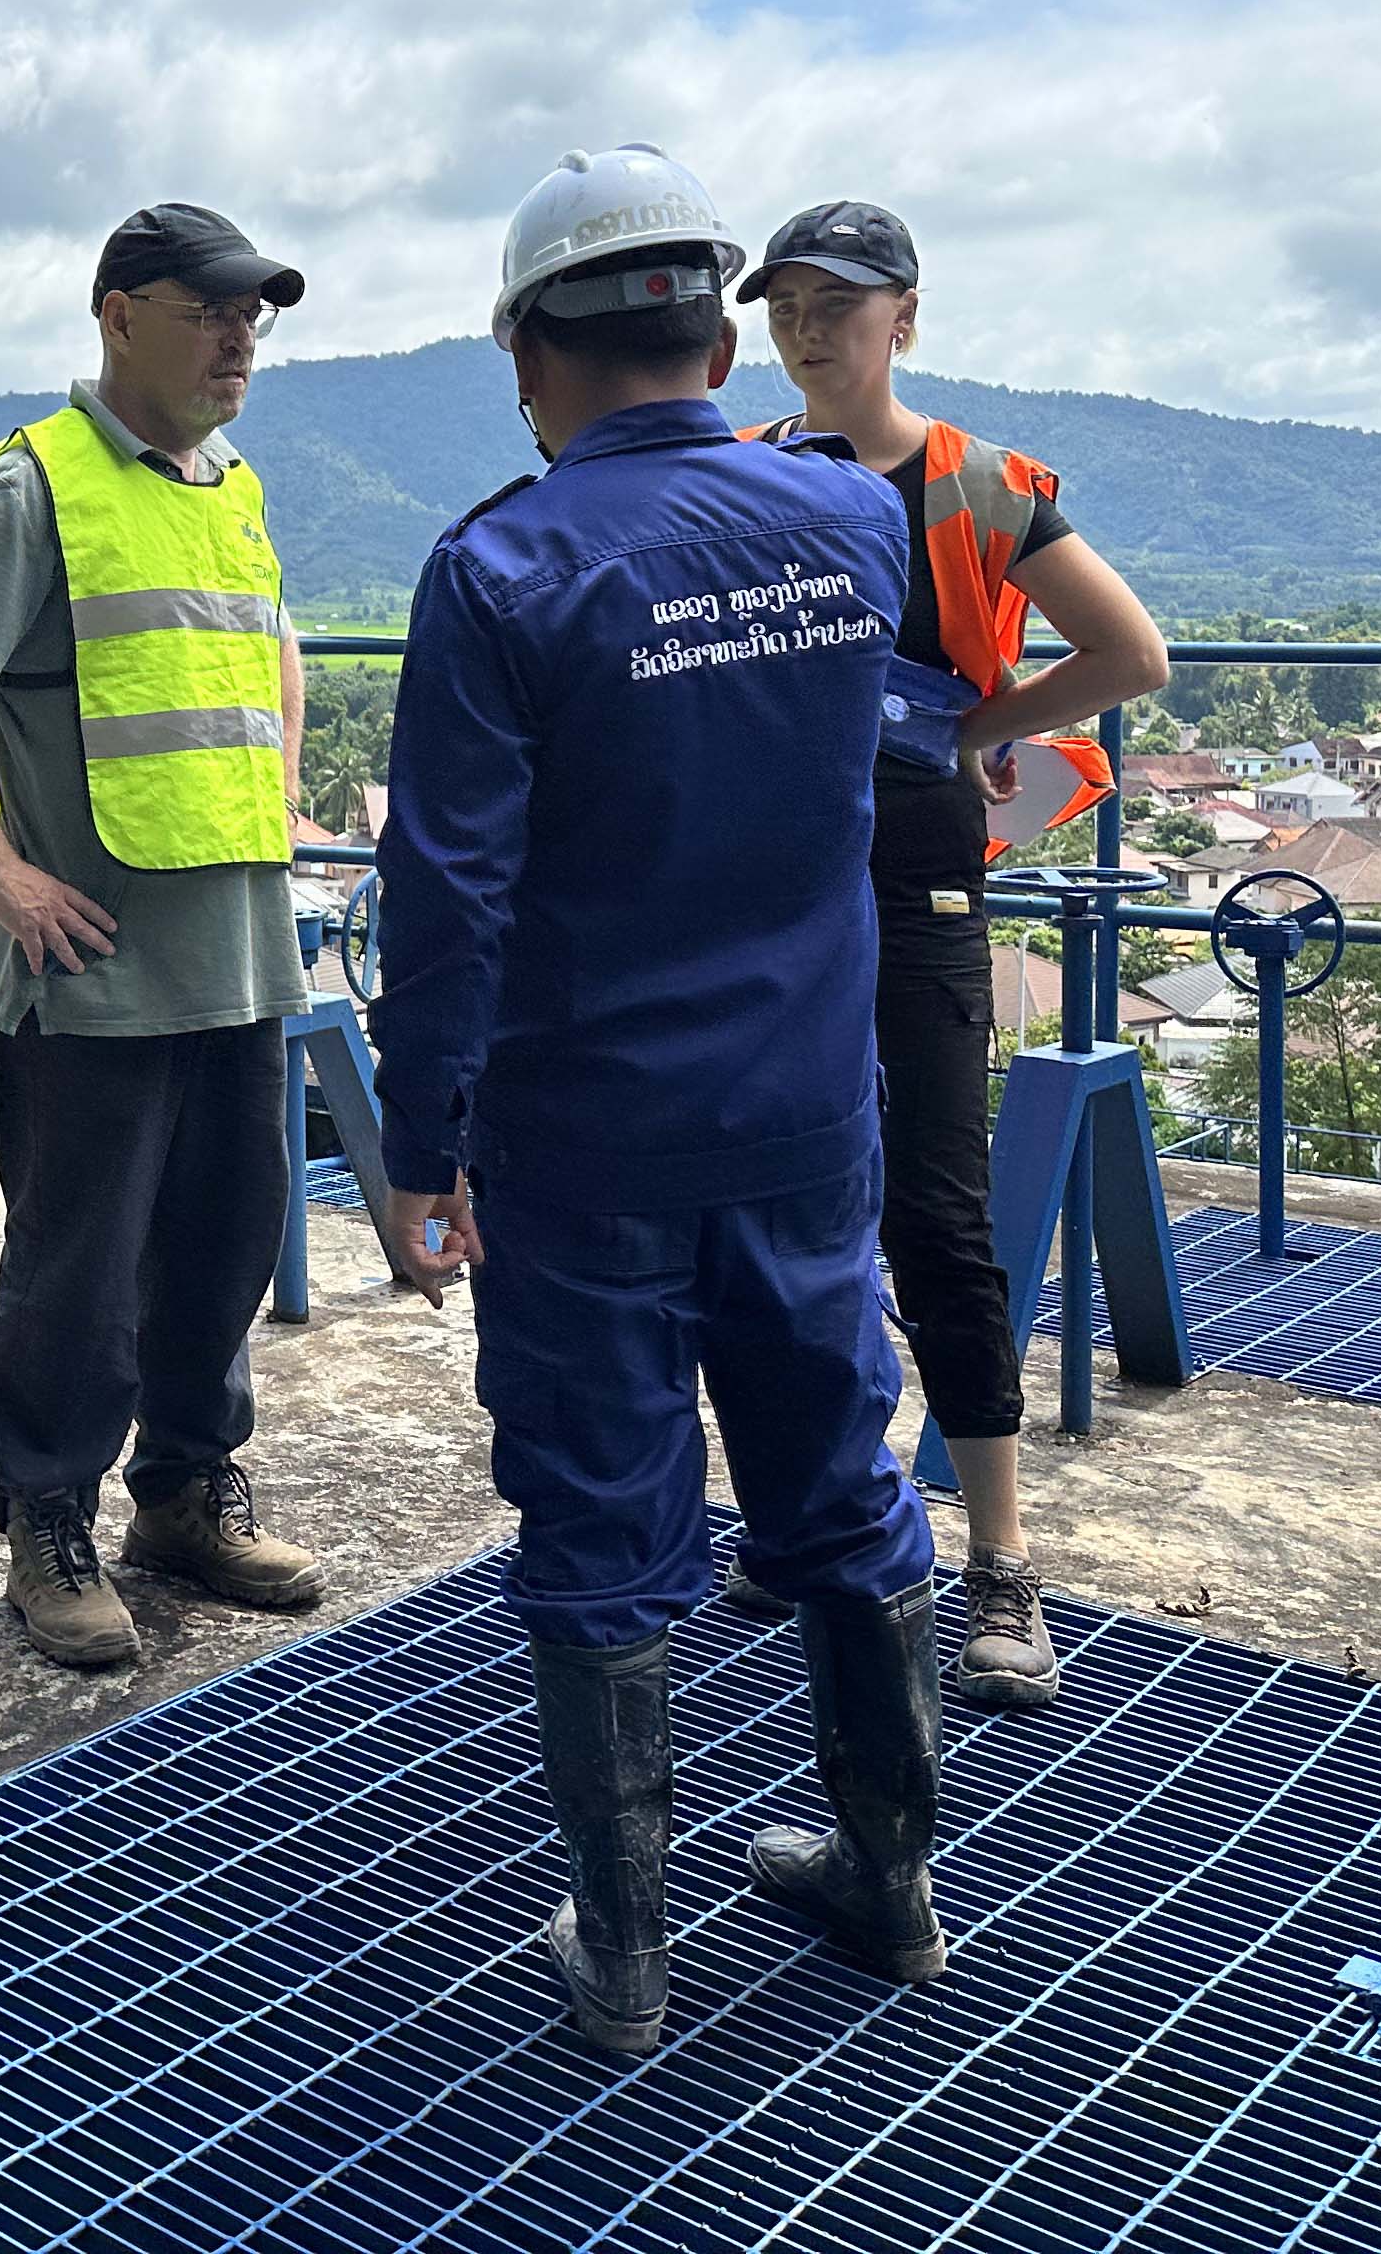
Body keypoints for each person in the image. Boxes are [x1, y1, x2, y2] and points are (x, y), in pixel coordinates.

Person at [369, 143, 946, 2060]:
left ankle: (625, 1950)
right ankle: (892, 1877)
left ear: (533, 352)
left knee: (602, 1517)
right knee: (841, 1478)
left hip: (587, 1148)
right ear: (714, 326)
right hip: (806, 1122)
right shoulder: (850, 525)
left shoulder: (503, 567)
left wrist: (422, 1141)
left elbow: (447, 895)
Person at [725, 202, 1170, 1713]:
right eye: (786, 305)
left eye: (836, 306)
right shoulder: (748, 479)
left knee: (937, 1214)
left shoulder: (983, 487)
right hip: (774, 887)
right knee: (782, 1208)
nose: (806, 330)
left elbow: (1130, 652)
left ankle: (998, 1558)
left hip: (917, 887)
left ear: (902, 318)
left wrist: (976, 728)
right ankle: (808, 1511)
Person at [0, 202, 323, 1673]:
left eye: (254, 312)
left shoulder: (231, 481)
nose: (239, 335)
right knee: (77, 1265)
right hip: (97, 965)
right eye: (209, 309)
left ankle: (184, 1491)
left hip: (241, 950)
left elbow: (270, 651)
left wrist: (283, 801)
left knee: (223, 1241)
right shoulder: (34, 487)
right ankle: (47, 1515)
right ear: (118, 313)